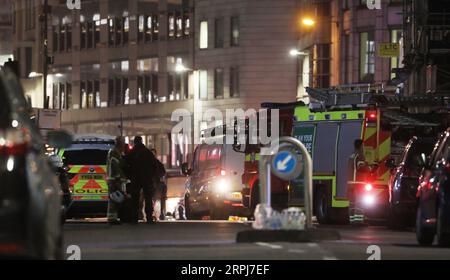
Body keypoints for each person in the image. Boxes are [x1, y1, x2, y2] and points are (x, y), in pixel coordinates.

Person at [126, 136, 158, 224]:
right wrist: (151, 176)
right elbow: (155, 165)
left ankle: (135, 218)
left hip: (135, 178)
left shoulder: (131, 153)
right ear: (141, 141)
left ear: (135, 143)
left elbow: (125, 164)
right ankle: (149, 218)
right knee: (148, 198)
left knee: (135, 199)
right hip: (146, 178)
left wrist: (129, 176)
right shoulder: (148, 153)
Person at [347, 139, 372, 225]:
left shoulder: (351, 156)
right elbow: (361, 167)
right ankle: (358, 221)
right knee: (360, 202)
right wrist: (370, 168)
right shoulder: (360, 156)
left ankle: (352, 221)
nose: (364, 147)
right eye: (363, 146)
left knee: (352, 203)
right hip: (359, 184)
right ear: (361, 146)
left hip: (350, 184)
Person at [106, 136, 127, 225]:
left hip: (115, 179)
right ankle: (111, 219)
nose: (124, 145)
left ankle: (113, 217)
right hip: (114, 179)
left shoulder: (117, 152)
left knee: (116, 198)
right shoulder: (114, 153)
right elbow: (115, 166)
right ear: (119, 143)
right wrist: (118, 178)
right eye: (123, 143)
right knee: (114, 198)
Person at [151, 148, 167, 220]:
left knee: (163, 189)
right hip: (148, 183)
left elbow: (163, 172)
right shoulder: (146, 164)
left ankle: (162, 211)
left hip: (156, 183)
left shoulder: (158, 164)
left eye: (154, 154)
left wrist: (158, 177)